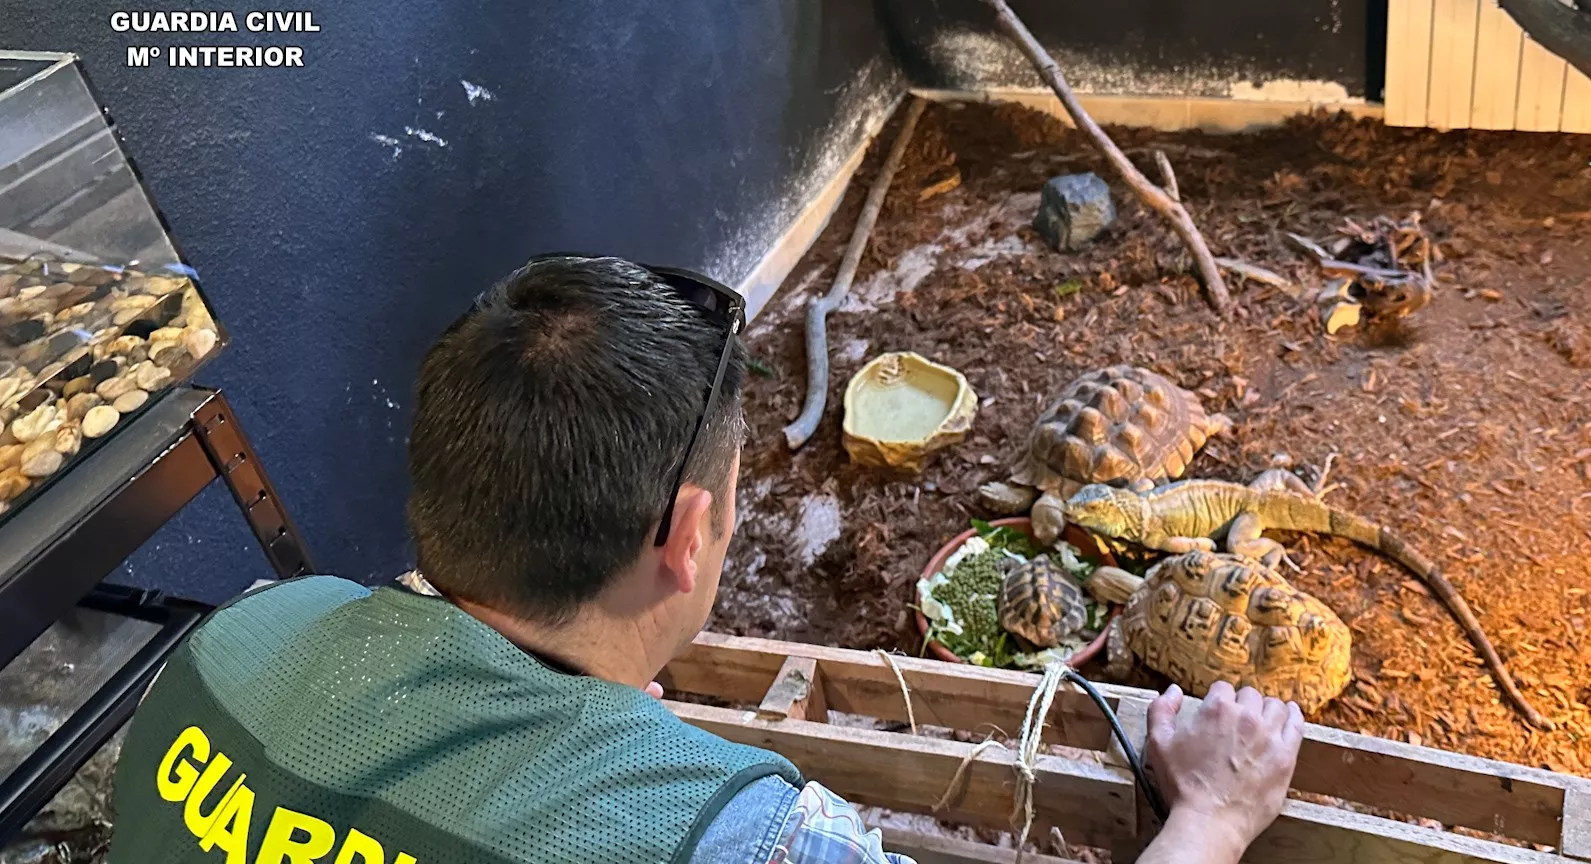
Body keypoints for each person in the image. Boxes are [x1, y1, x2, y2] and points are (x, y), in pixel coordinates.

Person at [106, 254, 1304, 864]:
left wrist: (582, 710)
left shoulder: (233, 641)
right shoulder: (750, 840)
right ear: (687, 537)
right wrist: (1213, 811)